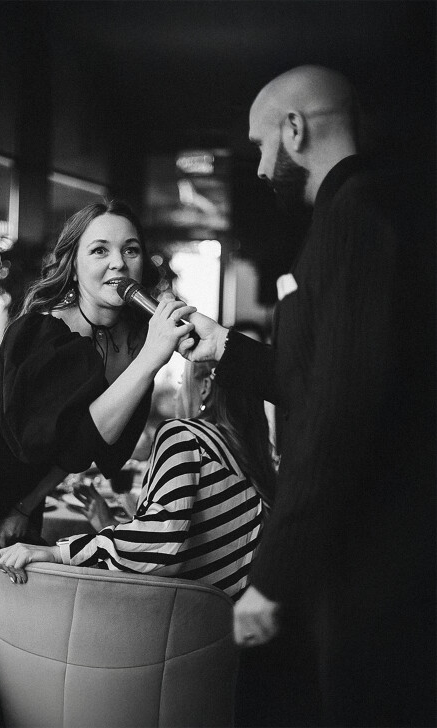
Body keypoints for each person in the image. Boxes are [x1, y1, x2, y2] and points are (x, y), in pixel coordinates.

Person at [177, 66, 435, 726]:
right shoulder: (354, 213)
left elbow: (340, 404)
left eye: (262, 144)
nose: (263, 167)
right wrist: (225, 347)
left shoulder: (355, 216)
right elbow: (317, 378)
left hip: (371, 550)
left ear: (294, 130)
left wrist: (273, 574)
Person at [0, 199, 196, 728]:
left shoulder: (125, 341)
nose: (118, 263)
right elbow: (58, 440)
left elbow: (82, 453)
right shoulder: (42, 332)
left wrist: (24, 503)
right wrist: (150, 359)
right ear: (72, 264)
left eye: (130, 250)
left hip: (5, 501)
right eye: (99, 250)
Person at [0, 358, 276, 601]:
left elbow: (164, 548)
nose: (178, 396)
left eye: (182, 382)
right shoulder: (252, 461)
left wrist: (57, 553)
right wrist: (108, 524)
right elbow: (188, 545)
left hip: (166, 627)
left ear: (204, 387)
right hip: (217, 629)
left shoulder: (184, 435)